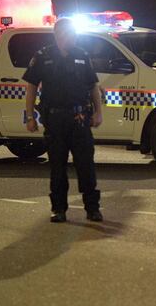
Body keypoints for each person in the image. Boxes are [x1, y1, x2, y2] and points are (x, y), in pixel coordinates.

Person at [23, 17, 104, 223]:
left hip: (79, 119)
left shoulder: (82, 55)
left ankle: (92, 209)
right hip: (55, 119)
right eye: (69, 33)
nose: (73, 37)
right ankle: (58, 209)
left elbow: (93, 85)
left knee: (86, 166)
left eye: (74, 34)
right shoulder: (43, 56)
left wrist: (98, 112)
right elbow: (31, 87)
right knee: (57, 167)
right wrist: (30, 116)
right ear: (58, 35)